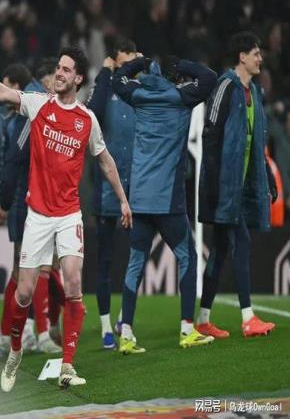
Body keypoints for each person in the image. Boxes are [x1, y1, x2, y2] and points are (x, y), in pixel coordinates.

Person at [0, 45, 132, 391]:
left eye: (66, 70)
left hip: (69, 214)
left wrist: (123, 199)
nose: (59, 73)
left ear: (78, 78)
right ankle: (16, 350)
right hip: (37, 215)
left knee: (74, 283)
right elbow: (3, 92)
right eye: (58, 68)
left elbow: (105, 160)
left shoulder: (86, 120)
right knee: (24, 293)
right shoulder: (38, 104)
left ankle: (67, 365)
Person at [112, 53, 217, 354]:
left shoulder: (138, 95)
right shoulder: (180, 97)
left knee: (135, 264)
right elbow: (209, 78)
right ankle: (187, 329)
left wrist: (137, 63)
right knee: (188, 257)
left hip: (139, 198)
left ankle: (126, 333)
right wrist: (183, 64)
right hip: (167, 200)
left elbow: (117, 80)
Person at [197, 31, 276, 338]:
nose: (260, 58)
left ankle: (203, 319)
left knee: (219, 251)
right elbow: (211, 136)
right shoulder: (225, 86)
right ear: (242, 57)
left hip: (242, 187)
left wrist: (267, 176)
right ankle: (247, 318)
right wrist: (214, 186)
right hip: (225, 188)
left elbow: (257, 142)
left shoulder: (254, 91)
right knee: (241, 242)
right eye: (256, 53)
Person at [0, 62, 62, 358]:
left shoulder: (31, 110)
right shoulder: (35, 109)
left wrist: (5, 202)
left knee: (32, 268)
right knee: (33, 268)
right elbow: (17, 158)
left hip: (33, 200)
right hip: (33, 200)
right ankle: (26, 333)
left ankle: (24, 333)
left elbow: (15, 159)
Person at [87, 39, 137, 349]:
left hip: (136, 189)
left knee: (137, 257)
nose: (131, 67)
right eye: (126, 62)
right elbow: (91, 112)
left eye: (134, 61)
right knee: (104, 261)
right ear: (115, 62)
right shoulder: (105, 91)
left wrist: (145, 67)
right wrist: (105, 73)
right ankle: (106, 326)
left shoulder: (139, 90)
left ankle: (123, 318)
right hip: (107, 190)